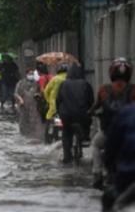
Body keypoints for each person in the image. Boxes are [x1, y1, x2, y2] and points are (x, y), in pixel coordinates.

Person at [89, 58, 135, 188]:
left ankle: (97, 173)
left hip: (108, 132)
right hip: (129, 133)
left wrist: (89, 112)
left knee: (96, 145)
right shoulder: (133, 89)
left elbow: (96, 106)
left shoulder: (104, 89)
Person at [56, 64, 94, 164]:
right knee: (86, 124)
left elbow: (58, 100)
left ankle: (66, 156)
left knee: (66, 133)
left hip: (66, 116)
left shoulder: (63, 84)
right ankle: (85, 137)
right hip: (82, 116)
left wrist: (59, 113)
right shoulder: (86, 84)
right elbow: (91, 101)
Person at [106, 103, 135, 209]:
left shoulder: (126, 113)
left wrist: (109, 168)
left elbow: (111, 147)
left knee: (111, 201)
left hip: (128, 173)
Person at [14, 66, 41, 137]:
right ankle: (22, 135)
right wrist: (20, 99)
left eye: (32, 74)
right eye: (30, 74)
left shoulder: (36, 83)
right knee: (23, 120)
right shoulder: (21, 83)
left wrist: (38, 95)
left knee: (33, 121)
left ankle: (31, 135)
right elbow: (16, 93)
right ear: (26, 74)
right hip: (23, 105)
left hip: (33, 105)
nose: (31, 75)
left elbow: (40, 92)